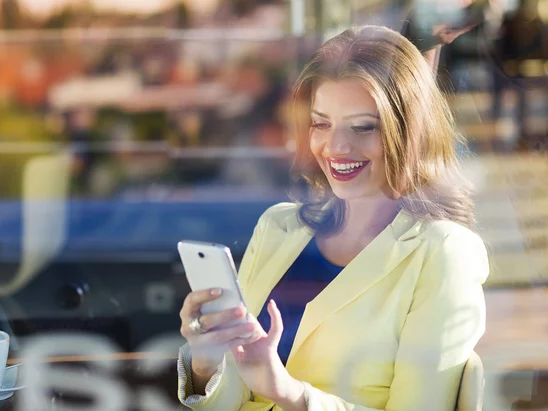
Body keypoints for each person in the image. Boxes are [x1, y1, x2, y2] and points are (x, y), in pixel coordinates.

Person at [177, 25, 489, 411]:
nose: (336, 146)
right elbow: (233, 401)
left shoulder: (444, 253)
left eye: (363, 127)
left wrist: (292, 394)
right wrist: (207, 362)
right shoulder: (278, 227)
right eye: (321, 123)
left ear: (410, 133)